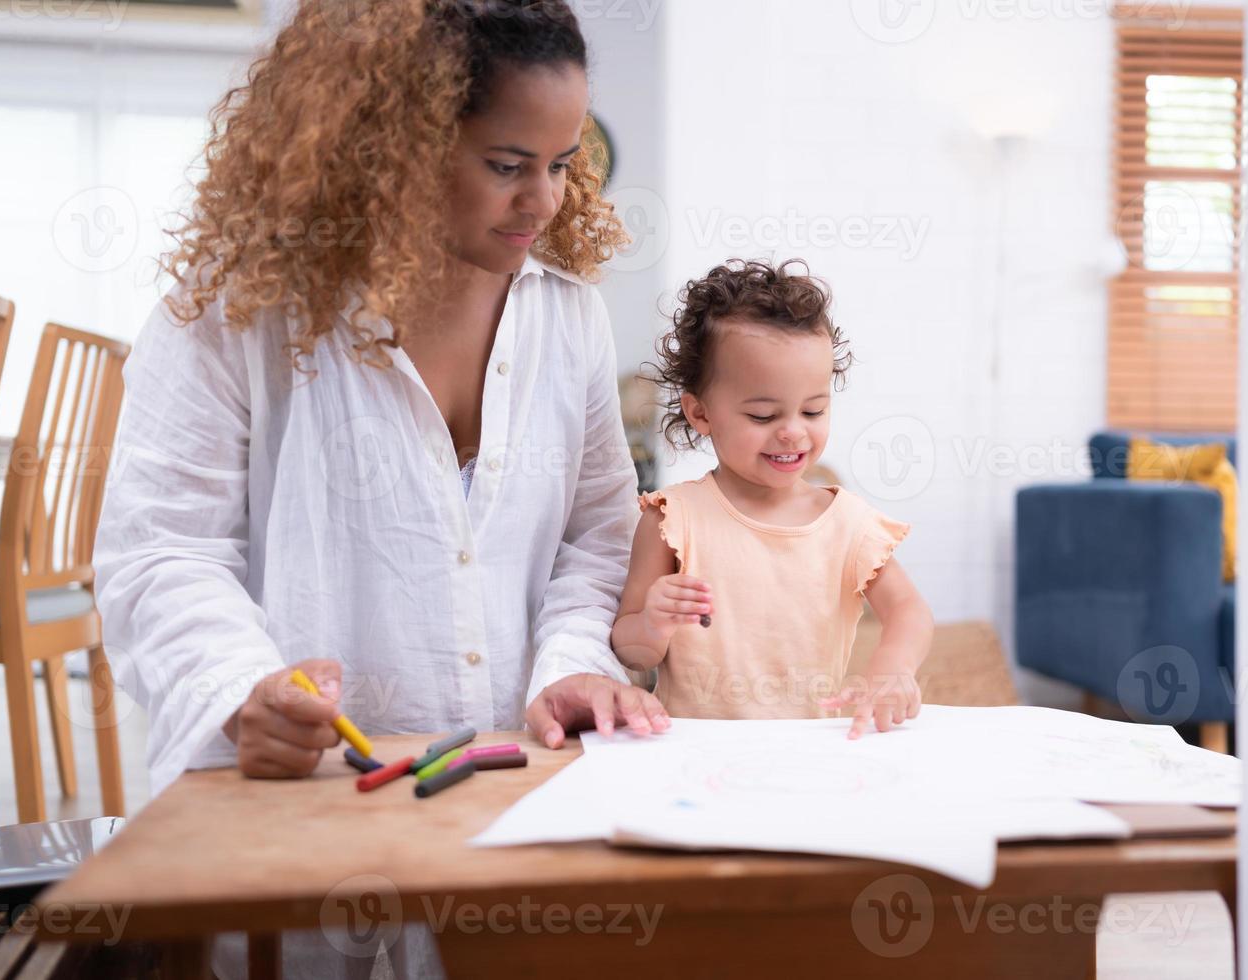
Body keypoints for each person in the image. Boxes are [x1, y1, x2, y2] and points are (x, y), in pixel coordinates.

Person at [92, 1, 664, 975]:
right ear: (388, 145)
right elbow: (163, 546)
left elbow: (596, 534)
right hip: (302, 808)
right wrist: (239, 691)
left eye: (562, 165)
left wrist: (570, 659)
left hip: (510, 797)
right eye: (505, 163)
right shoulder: (239, 311)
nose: (545, 203)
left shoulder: (568, 319)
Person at [611, 259, 935, 737]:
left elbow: (910, 611)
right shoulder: (671, 520)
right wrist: (653, 623)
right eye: (763, 416)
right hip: (691, 755)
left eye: (812, 410)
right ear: (700, 413)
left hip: (809, 754)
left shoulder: (847, 523)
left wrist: (893, 669)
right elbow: (631, 649)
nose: (792, 432)